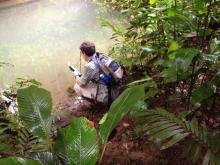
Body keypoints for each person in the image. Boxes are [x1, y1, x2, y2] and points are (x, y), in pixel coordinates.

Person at [74, 41, 121, 106]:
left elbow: (81, 84)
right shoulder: (102, 56)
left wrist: (76, 74)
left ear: (84, 53)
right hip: (116, 89)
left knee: (77, 87)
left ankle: (96, 103)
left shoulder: (89, 66)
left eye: (82, 53)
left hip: (108, 96)